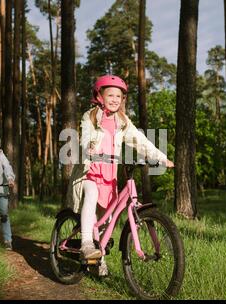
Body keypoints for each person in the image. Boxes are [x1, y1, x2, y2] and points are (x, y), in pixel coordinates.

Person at [66, 75, 174, 275]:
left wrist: (160, 158)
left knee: (107, 221)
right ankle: (87, 243)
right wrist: (89, 147)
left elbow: (141, 141)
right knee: (91, 196)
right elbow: (86, 137)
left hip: (109, 175)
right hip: (89, 172)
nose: (115, 99)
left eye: (119, 96)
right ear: (99, 96)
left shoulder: (123, 121)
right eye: (110, 95)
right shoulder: (89, 116)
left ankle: (99, 259)